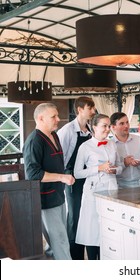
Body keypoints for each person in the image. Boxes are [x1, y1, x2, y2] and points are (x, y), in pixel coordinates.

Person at [23, 103, 75, 260]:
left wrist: (64, 174)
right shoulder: (34, 141)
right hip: (45, 199)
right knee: (60, 242)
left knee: (55, 244)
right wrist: (62, 177)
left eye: (57, 115)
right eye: (53, 116)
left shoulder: (55, 135)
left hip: (58, 196)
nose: (58, 119)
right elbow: (33, 174)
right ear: (40, 118)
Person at [73, 114, 123, 260]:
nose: (108, 129)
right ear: (94, 127)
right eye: (104, 126)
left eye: (109, 126)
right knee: (92, 228)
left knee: (109, 226)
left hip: (112, 189)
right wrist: (99, 168)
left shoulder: (112, 144)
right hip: (93, 191)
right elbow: (77, 173)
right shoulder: (85, 147)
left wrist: (114, 169)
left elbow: (120, 167)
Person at [57, 96, 95, 260]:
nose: (93, 111)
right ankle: (75, 259)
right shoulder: (67, 130)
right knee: (75, 217)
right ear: (80, 109)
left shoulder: (90, 130)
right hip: (72, 178)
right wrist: (64, 176)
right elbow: (59, 156)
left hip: (89, 178)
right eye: (90, 108)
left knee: (88, 215)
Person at [110, 112, 140, 188]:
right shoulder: (110, 145)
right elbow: (110, 169)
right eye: (122, 123)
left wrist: (139, 164)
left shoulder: (138, 140)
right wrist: (124, 164)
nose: (126, 126)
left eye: (127, 122)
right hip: (119, 186)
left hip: (138, 184)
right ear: (113, 127)